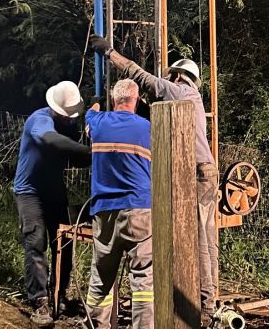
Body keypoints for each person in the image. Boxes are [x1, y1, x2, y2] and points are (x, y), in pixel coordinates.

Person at [90, 35, 219, 325]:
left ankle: (205, 311)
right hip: (204, 172)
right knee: (206, 241)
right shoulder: (190, 98)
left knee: (197, 241)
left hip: (195, 173)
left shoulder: (181, 91)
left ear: (178, 75)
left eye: (169, 75)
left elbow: (143, 78)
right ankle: (209, 305)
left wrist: (110, 53)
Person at [13, 80, 92, 326]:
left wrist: (98, 152)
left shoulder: (68, 125)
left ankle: (59, 294)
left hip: (53, 190)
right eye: (66, 116)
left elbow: (75, 158)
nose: (70, 120)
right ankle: (40, 301)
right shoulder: (41, 120)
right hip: (30, 191)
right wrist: (91, 152)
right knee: (36, 242)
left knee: (64, 242)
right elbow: (51, 141)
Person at [84, 79, 154, 328]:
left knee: (101, 279)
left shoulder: (98, 122)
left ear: (114, 100)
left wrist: (96, 102)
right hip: (140, 210)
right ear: (136, 100)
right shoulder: (148, 128)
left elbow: (88, 116)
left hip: (104, 211)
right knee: (144, 279)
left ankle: (97, 325)